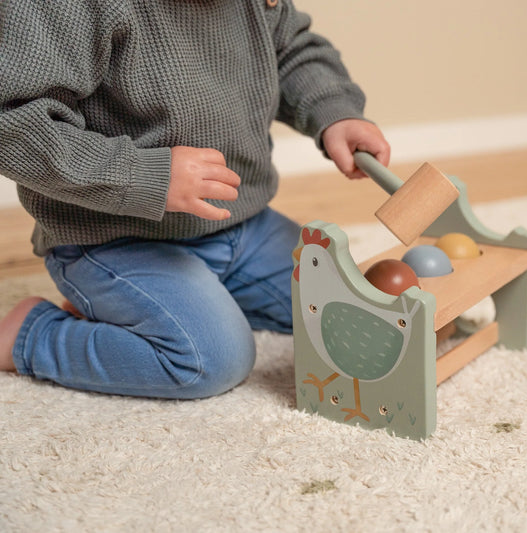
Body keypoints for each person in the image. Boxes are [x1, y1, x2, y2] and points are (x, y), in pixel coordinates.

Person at [0, 0, 390, 398]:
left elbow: (288, 50)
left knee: (349, 308)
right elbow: (13, 125)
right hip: (113, 239)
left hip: (242, 224)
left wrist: (334, 110)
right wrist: (141, 174)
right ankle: (30, 336)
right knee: (209, 360)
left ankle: (128, 310)